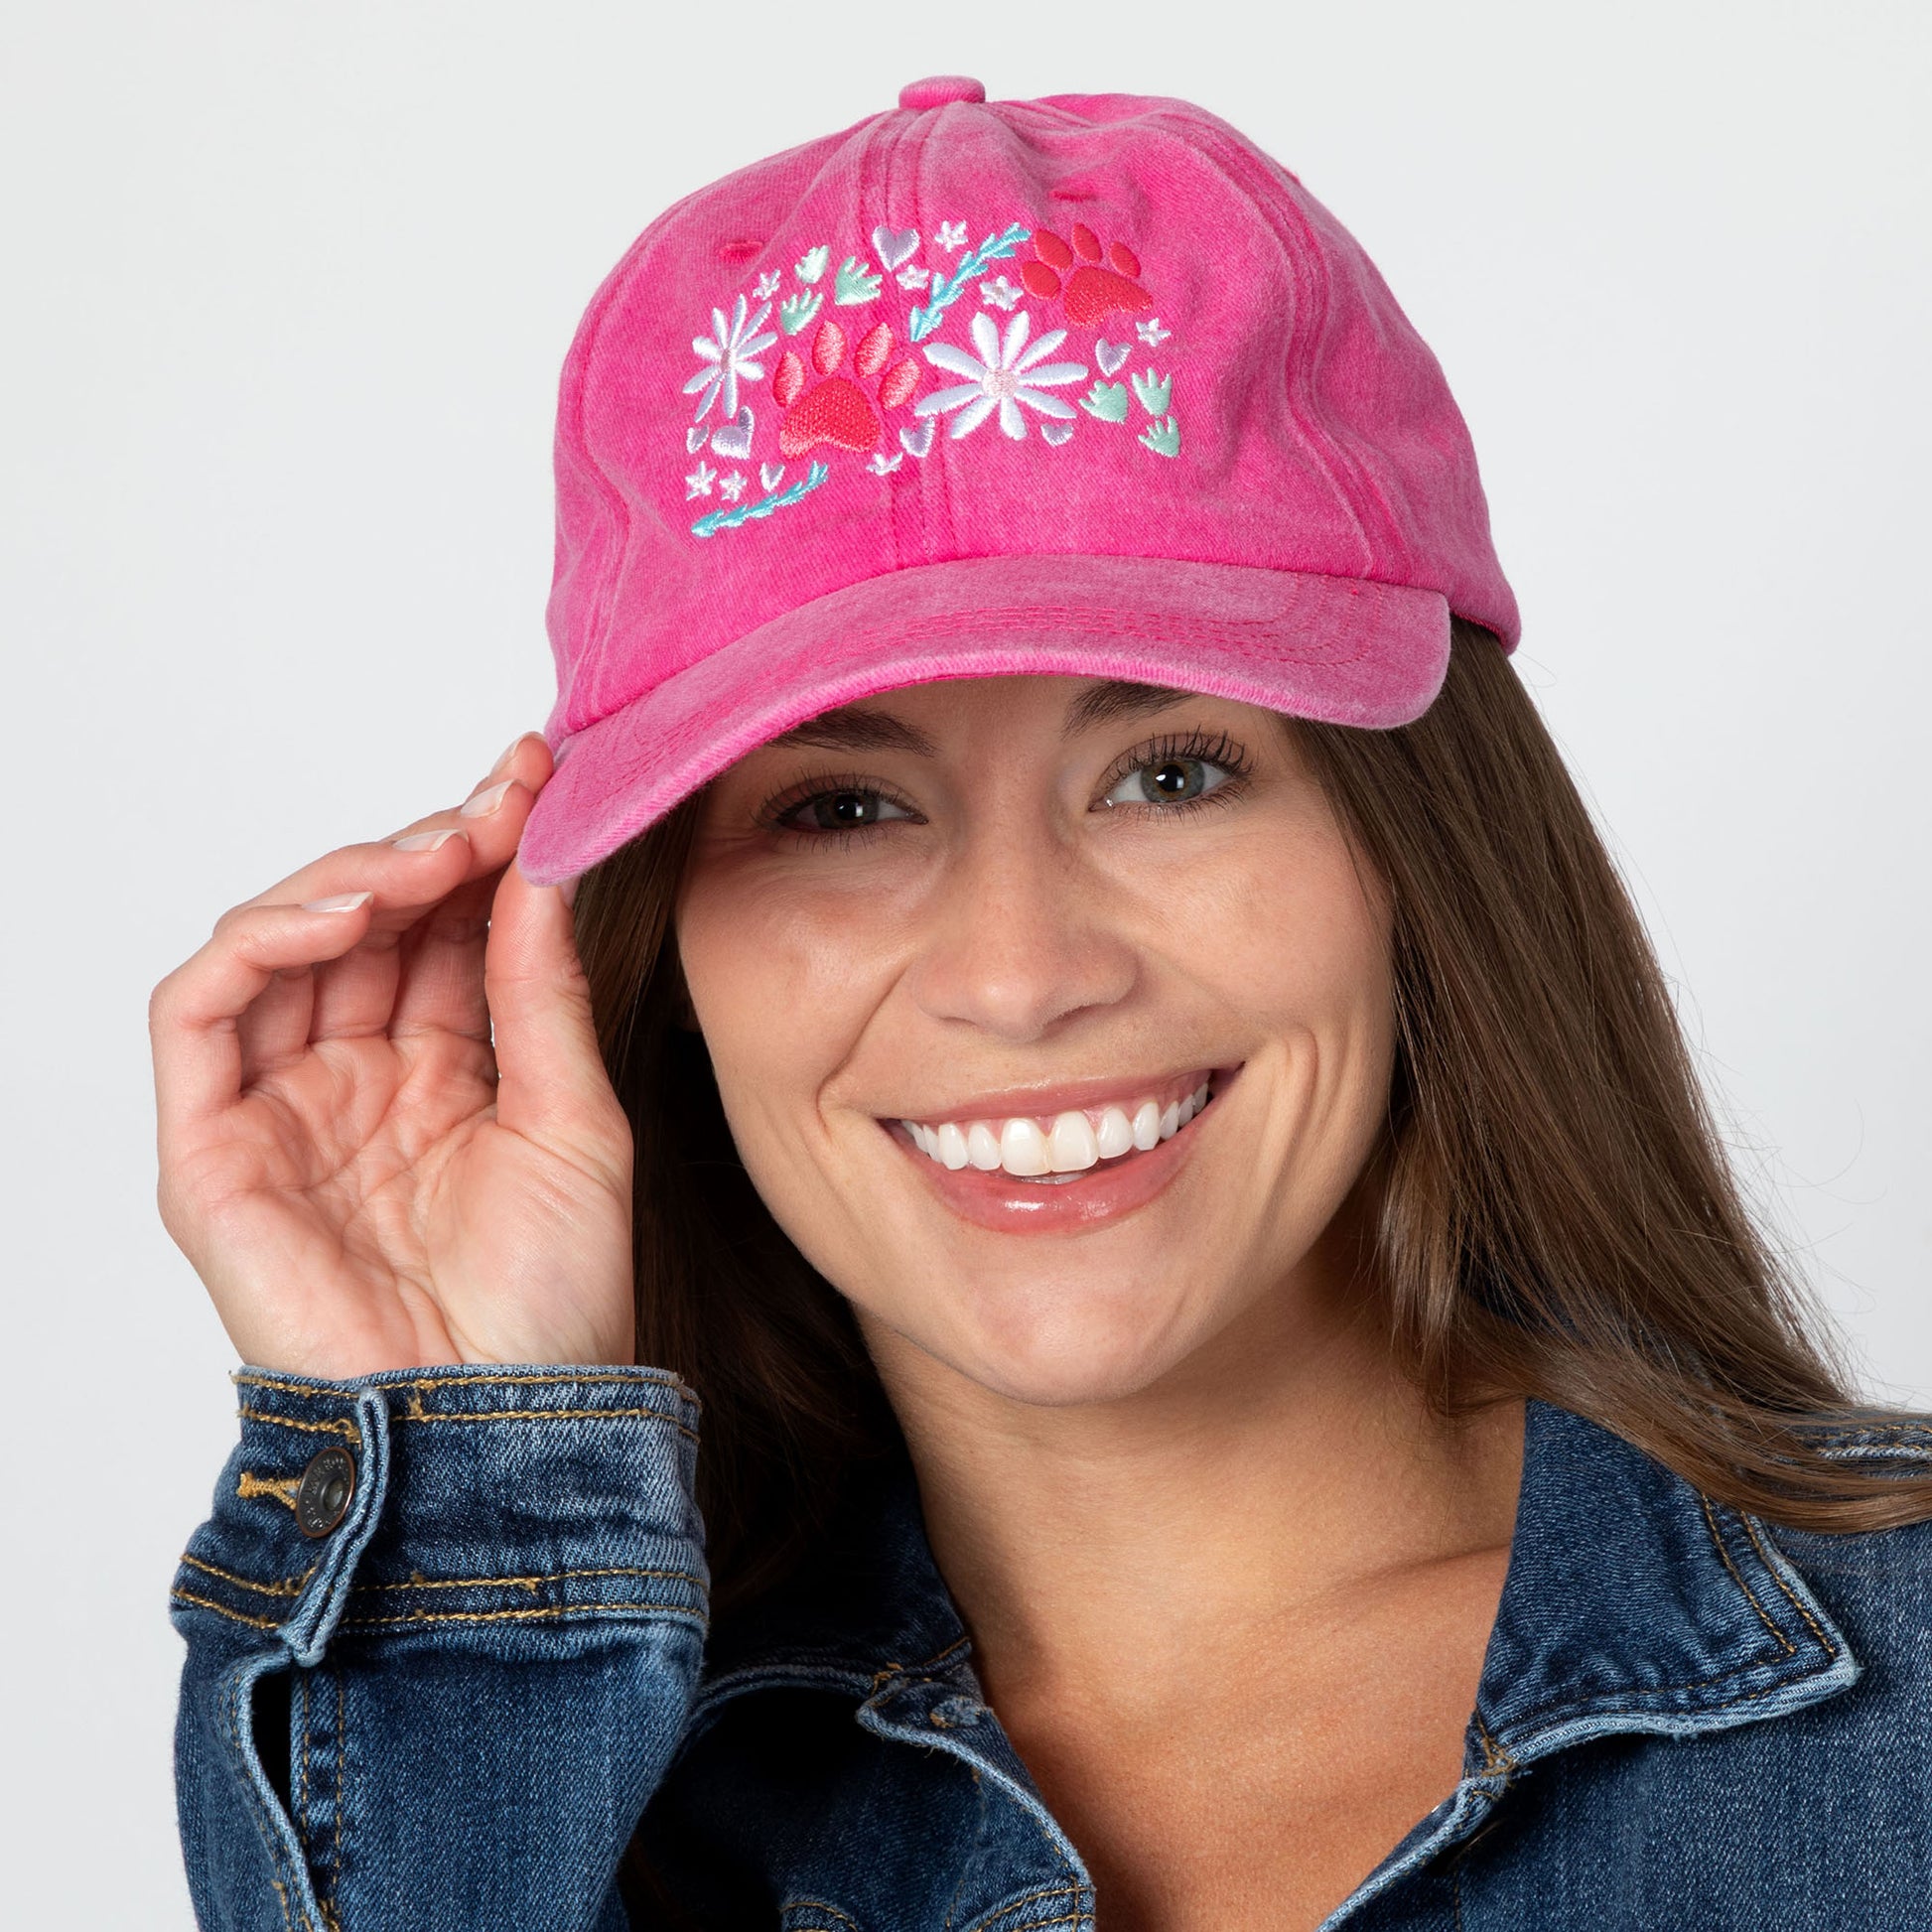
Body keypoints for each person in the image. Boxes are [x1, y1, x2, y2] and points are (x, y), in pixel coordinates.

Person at [151, 77, 1932, 1932]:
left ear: (1421, 852)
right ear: (654, 951)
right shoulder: (536, 1799)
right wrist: (449, 1489)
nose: (1017, 976)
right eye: (839, 808)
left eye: (1168, 771)